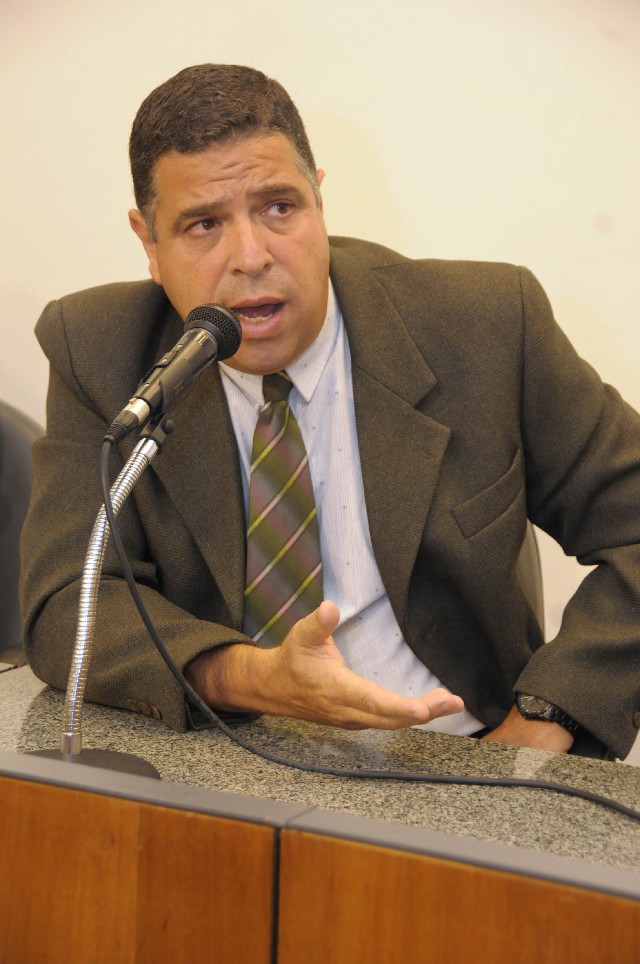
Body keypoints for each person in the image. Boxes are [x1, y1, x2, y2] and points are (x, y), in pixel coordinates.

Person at [20, 64, 640, 760]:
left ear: (319, 198)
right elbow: (68, 601)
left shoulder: (484, 326)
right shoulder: (101, 350)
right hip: (226, 753)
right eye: (203, 224)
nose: (251, 257)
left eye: (279, 207)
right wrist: (254, 678)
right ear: (149, 243)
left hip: (461, 752)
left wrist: (543, 720)